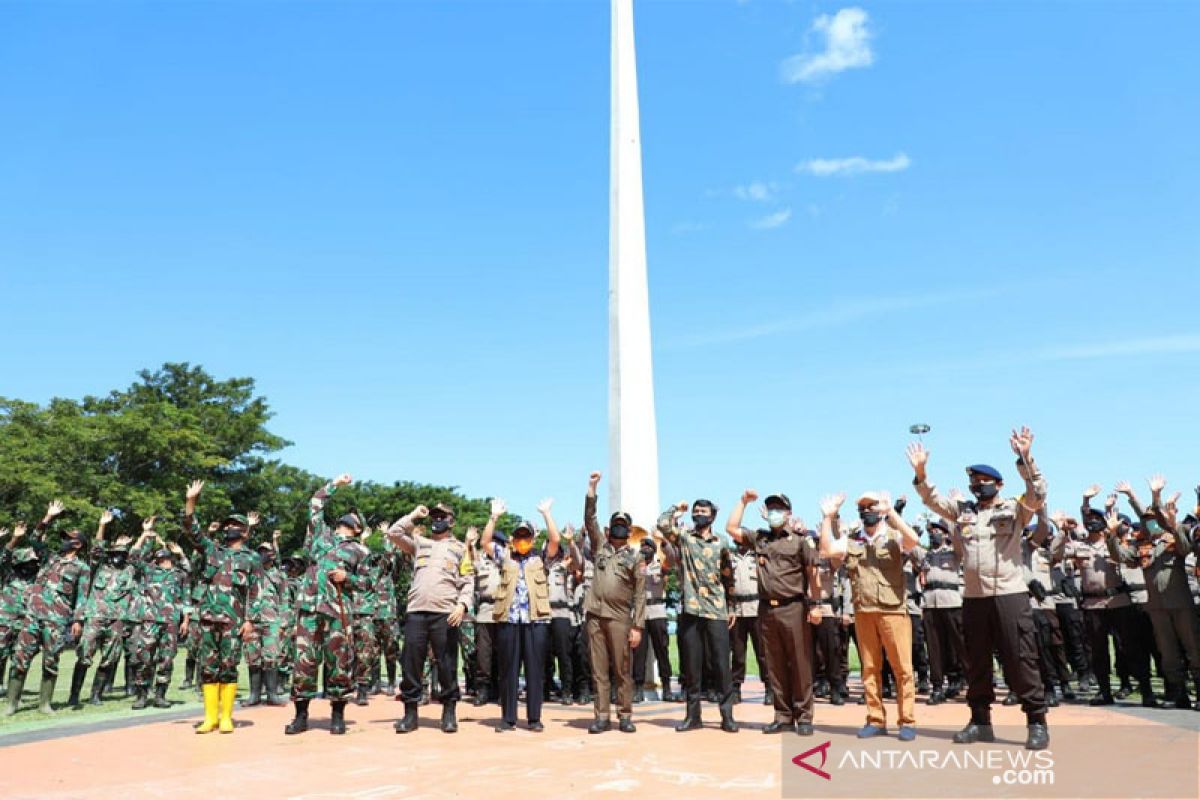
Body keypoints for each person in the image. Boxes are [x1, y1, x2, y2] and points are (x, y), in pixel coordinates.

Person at [909, 428, 1050, 751]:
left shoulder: (1015, 509)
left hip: (1009, 595)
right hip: (973, 598)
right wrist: (921, 473)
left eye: (984, 480)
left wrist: (1026, 458)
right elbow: (932, 500)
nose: (978, 485)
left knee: (1020, 658)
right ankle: (980, 721)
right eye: (974, 481)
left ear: (998, 484)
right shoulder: (964, 512)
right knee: (976, 660)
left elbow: (1038, 492)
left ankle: (1037, 721)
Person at [820, 491, 921, 741]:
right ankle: (875, 719)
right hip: (864, 612)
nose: (867, 511)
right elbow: (827, 550)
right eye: (863, 508)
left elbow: (914, 540)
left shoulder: (893, 537)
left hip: (893, 611)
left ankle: (906, 720)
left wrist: (892, 514)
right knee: (870, 668)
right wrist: (827, 518)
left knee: (902, 668)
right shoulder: (852, 541)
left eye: (872, 507)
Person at [728, 491, 822, 735]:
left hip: (794, 607)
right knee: (775, 665)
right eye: (770, 509)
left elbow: (812, 573)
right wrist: (743, 502)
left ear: (789, 513)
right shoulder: (761, 539)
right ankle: (782, 715)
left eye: (779, 508)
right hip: (766, 609)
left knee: (800, 664)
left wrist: (816, 604)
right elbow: (731, 527)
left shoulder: (801, 541)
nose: (774, 513)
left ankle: (804, 717)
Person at [285, 474, 370, 736]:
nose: (348, 519)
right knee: (304, 663)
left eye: (353, 521)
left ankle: (337, 715)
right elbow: (315, 503)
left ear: (358, 530)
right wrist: (335, 484)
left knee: (339, 663)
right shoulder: (319, 536)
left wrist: (349, 577)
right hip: (310, 608)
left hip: (338, 612)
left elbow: (367, 584)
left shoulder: (361, 551)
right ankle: (301, 716)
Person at [179, 480, 264, 735]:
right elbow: (192, 530)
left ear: (245, 532)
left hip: (233, 622)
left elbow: (255, 592)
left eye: (234, 526)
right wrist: (191, 501)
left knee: (229, 666)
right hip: (207, 618)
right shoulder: (211, 551)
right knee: (208, 667)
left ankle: (226, 717)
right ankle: (209, 718)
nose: (229, 529)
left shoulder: (251, 559)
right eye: (227, 526)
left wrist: (250, 621)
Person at [387, 500, 473, 734]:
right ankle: (410, 714)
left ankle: (448, 712)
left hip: (446, 612)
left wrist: (462, 605)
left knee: (446, 664)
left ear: (451, 521)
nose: (437, 520)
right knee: (411, 663)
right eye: (434, 517)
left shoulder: (460, 549)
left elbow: (467, 581)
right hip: (416, 611)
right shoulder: (419, 543)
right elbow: (393, 532)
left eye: (442, 517)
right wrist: (414, 514)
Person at [1110, 478, 1197, 708]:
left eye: (1154, 520)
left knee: (1194, 649)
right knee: (1167, 653)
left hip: (1181, 604)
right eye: (1146, 521)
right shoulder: (1142, 547)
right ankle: (1177, 694)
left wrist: (1155, 497)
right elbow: (1120, 556)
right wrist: (1111, 535)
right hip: (1157, 607)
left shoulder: (1174, 539)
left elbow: (1185, 547)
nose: (1150, 525)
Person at [658, 497, 737, 733]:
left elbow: (728, 576)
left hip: (716, 611)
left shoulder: (721, 543)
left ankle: (727, 716)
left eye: (703, 511)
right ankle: (693, 716)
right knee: (692, 667)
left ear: (713, 516)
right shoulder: (684, 539)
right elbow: (662, 524)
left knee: (722, 665)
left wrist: (731, 606)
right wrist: (676, 509)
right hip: (691, 610)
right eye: (696, 511)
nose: (698, 514)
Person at [481, 499, 560, 731]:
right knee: (508, 671)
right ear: (513, 540)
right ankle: (508, 718)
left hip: (536, 621)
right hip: (509, 621)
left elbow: (555, 540)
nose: (522, 541)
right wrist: (493, 517)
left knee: (535, 671)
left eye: (526, 537)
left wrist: (546, 514)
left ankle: (534, 718)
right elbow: (485, 541)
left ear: (533, 539)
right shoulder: (505, 557)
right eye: (518, 537)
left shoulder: (540, 558)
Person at [582, 471, 645, 734]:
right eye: (615, 523)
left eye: (623, 524)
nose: (619, 527)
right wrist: (592, 488)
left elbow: (640, 594)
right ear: (609, 529)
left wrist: (637, 626)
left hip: (620, 618)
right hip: (595, 615)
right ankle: (602, 716)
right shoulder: (599, 547)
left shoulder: (635, 558)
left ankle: (625, 714)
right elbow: (590, 519)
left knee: (622, 669)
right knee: (599, 670)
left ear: (629, 530)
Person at [4, 501, 81, 716]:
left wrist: (77, 620)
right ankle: (12, 704)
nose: (63, 541)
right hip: (32, 616)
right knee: (20, 658)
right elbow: (35, 538)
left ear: (78, 545)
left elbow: (82, 596)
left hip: (57, 621)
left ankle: (44, 704)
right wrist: (48, 517)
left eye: (68, 539)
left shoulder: (80, 568)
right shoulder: (48, 559)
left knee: (51, 661)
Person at [75, 512, 138, 707]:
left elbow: (139, 554)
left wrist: (142, 535)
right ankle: (74, 695)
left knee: (110, 659)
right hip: (95, 617)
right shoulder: (99, 567)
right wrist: (102, 526)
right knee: (84, 656)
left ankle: (96, 694)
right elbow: (96, 549)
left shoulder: (130, 570)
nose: (118, 557)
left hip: (117, 620)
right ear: (110, 555)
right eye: (115, 553)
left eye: (122, 554)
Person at [128, 519, 190, 709]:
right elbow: (133, 557)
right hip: (150, 620)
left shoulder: (179, 574)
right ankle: (141, 695)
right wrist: (144, 535)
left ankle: (161, 694)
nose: (163, 562)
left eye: (166, 558)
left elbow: (186, 598)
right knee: (144, 658)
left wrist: (185, 621)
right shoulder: (150, 571)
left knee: (167, 658)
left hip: (171, 622)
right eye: (160, 559)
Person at [920, 520, 965, 705]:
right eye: (931, 532)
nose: (933, 534)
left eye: (937, 531)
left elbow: (961, 542)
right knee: (934, 648)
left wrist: (953, 522)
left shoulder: (954, 553)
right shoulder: (925, 556)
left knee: (960, 646)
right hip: (930, 605)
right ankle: (937, 687)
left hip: (952, 603)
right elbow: (908, 544)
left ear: (946, 534)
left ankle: (965, 680)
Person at [245, 532, 289, 707]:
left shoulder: (279, 575)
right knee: (252, 657)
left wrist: (283, 623)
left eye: (267, 551)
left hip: (272, 621)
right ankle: (254, 694)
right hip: (252, 619)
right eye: (261, 551)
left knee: (271, 656)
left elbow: (285, 600)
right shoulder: (251, 573)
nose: (263, 554)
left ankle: (272, 694)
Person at [727, 531, 768, 705]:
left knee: (763, 652)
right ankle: (735, 687)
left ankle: (770, 687)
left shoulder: (759, 555)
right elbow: (726, 583)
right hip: (737, 610)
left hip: (757, 608)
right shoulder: (728, 557)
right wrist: (729, 608)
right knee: (737, 652)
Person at [633, 531, 674, 702]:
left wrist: (664, 540)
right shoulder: (635, 566)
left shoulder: (660, 566)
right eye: (643, 546)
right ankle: (638, 688)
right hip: (640, 612)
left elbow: (671, 559)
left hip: (657, 610)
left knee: (661, 650)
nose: (645, 549)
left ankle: (666, 687)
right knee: (639, 653)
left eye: (649, 546)